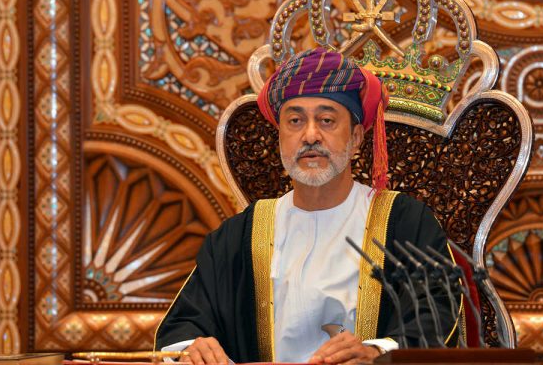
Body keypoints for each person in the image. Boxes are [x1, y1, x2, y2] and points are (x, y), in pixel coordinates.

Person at [154, 48, 459, 364]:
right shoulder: (241, 235)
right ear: (280, 138)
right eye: (295, 121)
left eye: (327, 120)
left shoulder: (406, 223)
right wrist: (193, 349)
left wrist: (376, 352)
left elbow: (438, 316)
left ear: (356, 137)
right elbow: (183, 328)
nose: (310, 135)